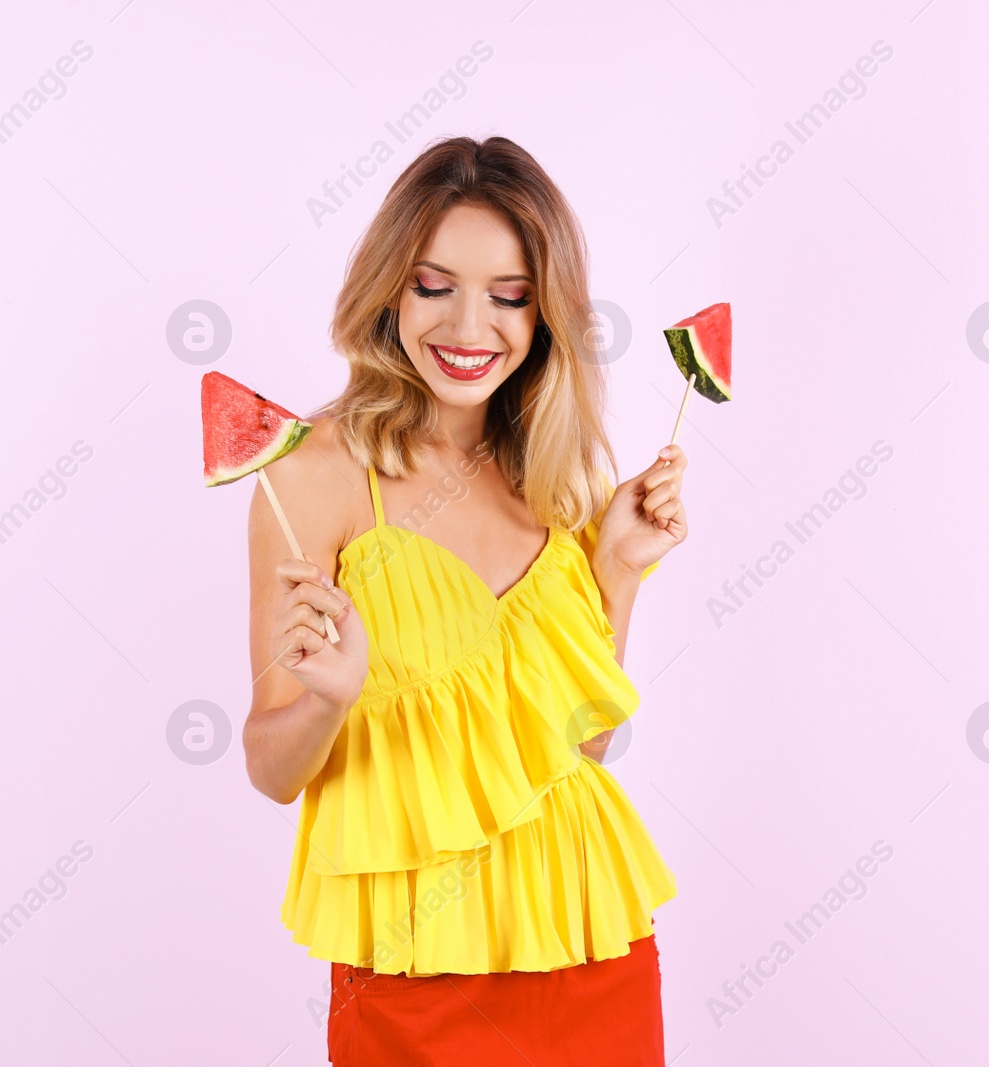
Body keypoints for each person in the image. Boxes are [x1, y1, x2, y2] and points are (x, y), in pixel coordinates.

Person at [240, 135, 685, 1065]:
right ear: (389, 290)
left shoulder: (554, 471)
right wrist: (329, 694)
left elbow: (578, 747)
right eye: (434, 285)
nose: (468, 326)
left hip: (587, 933)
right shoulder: (315, 474)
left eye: (509, 295)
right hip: (412, 969)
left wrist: (618, 572)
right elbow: (273, 770)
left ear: (545, 311)